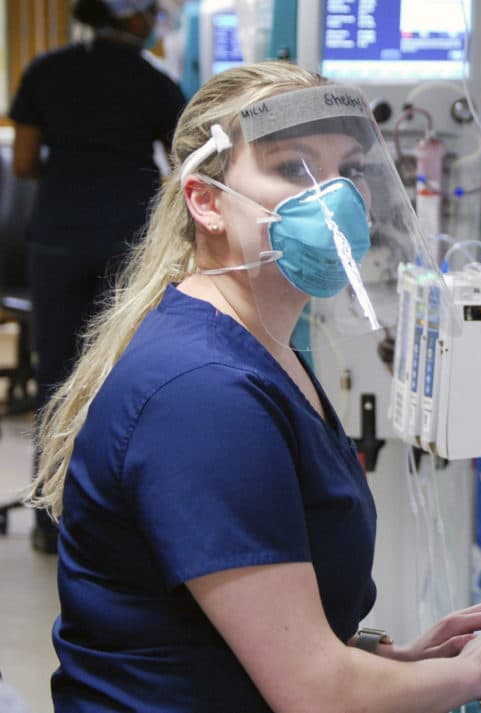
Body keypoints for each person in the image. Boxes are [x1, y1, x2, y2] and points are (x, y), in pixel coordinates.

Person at [25, 61, 481, 712]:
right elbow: (315, 693)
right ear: (206, 200)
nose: (334, 198)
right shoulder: (202, 394)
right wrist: (480, 673)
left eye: (348, 170)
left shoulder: (266, 347)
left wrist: (393, 658)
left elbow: (233, 637)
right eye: (293, 167)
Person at [9, 0, 186, 554]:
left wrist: (72, 176)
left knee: (57, 378)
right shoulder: (154, 83)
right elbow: (186, 165)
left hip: (58, 238)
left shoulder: (46, 70)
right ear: (130, 16)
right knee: (122, 376)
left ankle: (47, 520)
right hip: (127, 242)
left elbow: (22, 164)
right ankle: (114, 522)